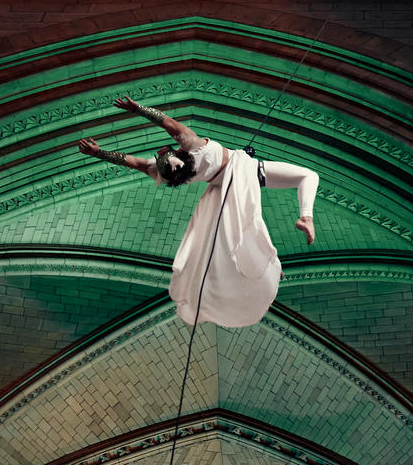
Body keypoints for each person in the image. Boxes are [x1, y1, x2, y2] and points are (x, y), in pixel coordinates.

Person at [78, 96, 319, 328]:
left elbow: (134, 162)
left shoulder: (182, 174)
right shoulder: (196, 149)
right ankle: (305, 217)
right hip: (248, 173)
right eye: (164, 151)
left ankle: (268, 260)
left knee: (240, 232)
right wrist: (137, 109)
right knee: (308, 176)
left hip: (234, 183)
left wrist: (99, 153)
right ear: (175, 155)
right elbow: (170, 125)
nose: (162, 150)